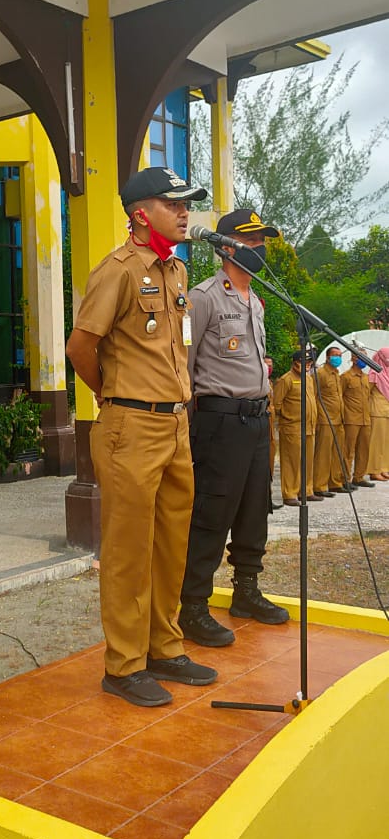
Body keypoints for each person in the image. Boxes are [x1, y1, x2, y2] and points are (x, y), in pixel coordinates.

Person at [66, 166, 217, 707]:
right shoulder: (119, 270)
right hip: (131, 424)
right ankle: (124, 664)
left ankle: (164, 646)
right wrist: (113, 395)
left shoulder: (173, 272)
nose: (184, 213)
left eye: (186, 205)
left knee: (171, 543)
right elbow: (80, 346)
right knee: (129, 549)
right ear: (139, 213)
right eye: (173, 204)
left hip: (177, 424)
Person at [178, 209, 289, 648]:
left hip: (257, 420)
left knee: (252, 510)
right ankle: (193, 607)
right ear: (226, 246)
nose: (258, 249)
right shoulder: (203, 298)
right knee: (211, 514)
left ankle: (246, 591)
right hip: (219, 421)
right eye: (250, 241)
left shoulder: (255, 300)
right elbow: (183, 367)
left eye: (262, 241)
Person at [274, 350, 321, 506]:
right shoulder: (286, 380)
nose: (307, 365)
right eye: (304, 362)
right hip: (292, 427)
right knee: (291, 462)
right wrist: (287, 418)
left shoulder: (308, 379)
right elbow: (276, 404)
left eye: (309, 363)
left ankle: (306, 491)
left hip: (309, 427)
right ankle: (290, 493)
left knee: (307, 461)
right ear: (295, 363)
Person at [313, 346, 354, 496]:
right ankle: (320, 485)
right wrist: (319, 416)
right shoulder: (320, 374)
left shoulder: (337, 374)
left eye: (339, 355)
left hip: (338, 419)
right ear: (328, 357)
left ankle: (335, 482)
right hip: (325, 419)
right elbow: (315, 396)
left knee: (337, 452)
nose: (338, 358)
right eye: (334, 355)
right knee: (323, 454)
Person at [341, 352, 374, 487]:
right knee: (348, 450)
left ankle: (359, 476)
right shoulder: (345, 377)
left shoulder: (366, 378)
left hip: (365, 419)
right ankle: (344, 478)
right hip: (351, 419)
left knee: (364, 449)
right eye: (362, 358)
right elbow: (340, 396)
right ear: (354, 359)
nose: (365, 361)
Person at [367, 347, 389, 481]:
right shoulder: (374, 373)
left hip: (387, 412)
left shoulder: (387, 373)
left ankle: (384, 468)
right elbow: (365, 393)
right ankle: (374, 470)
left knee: (386, 442)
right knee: (376, 442)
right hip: (377, 412)